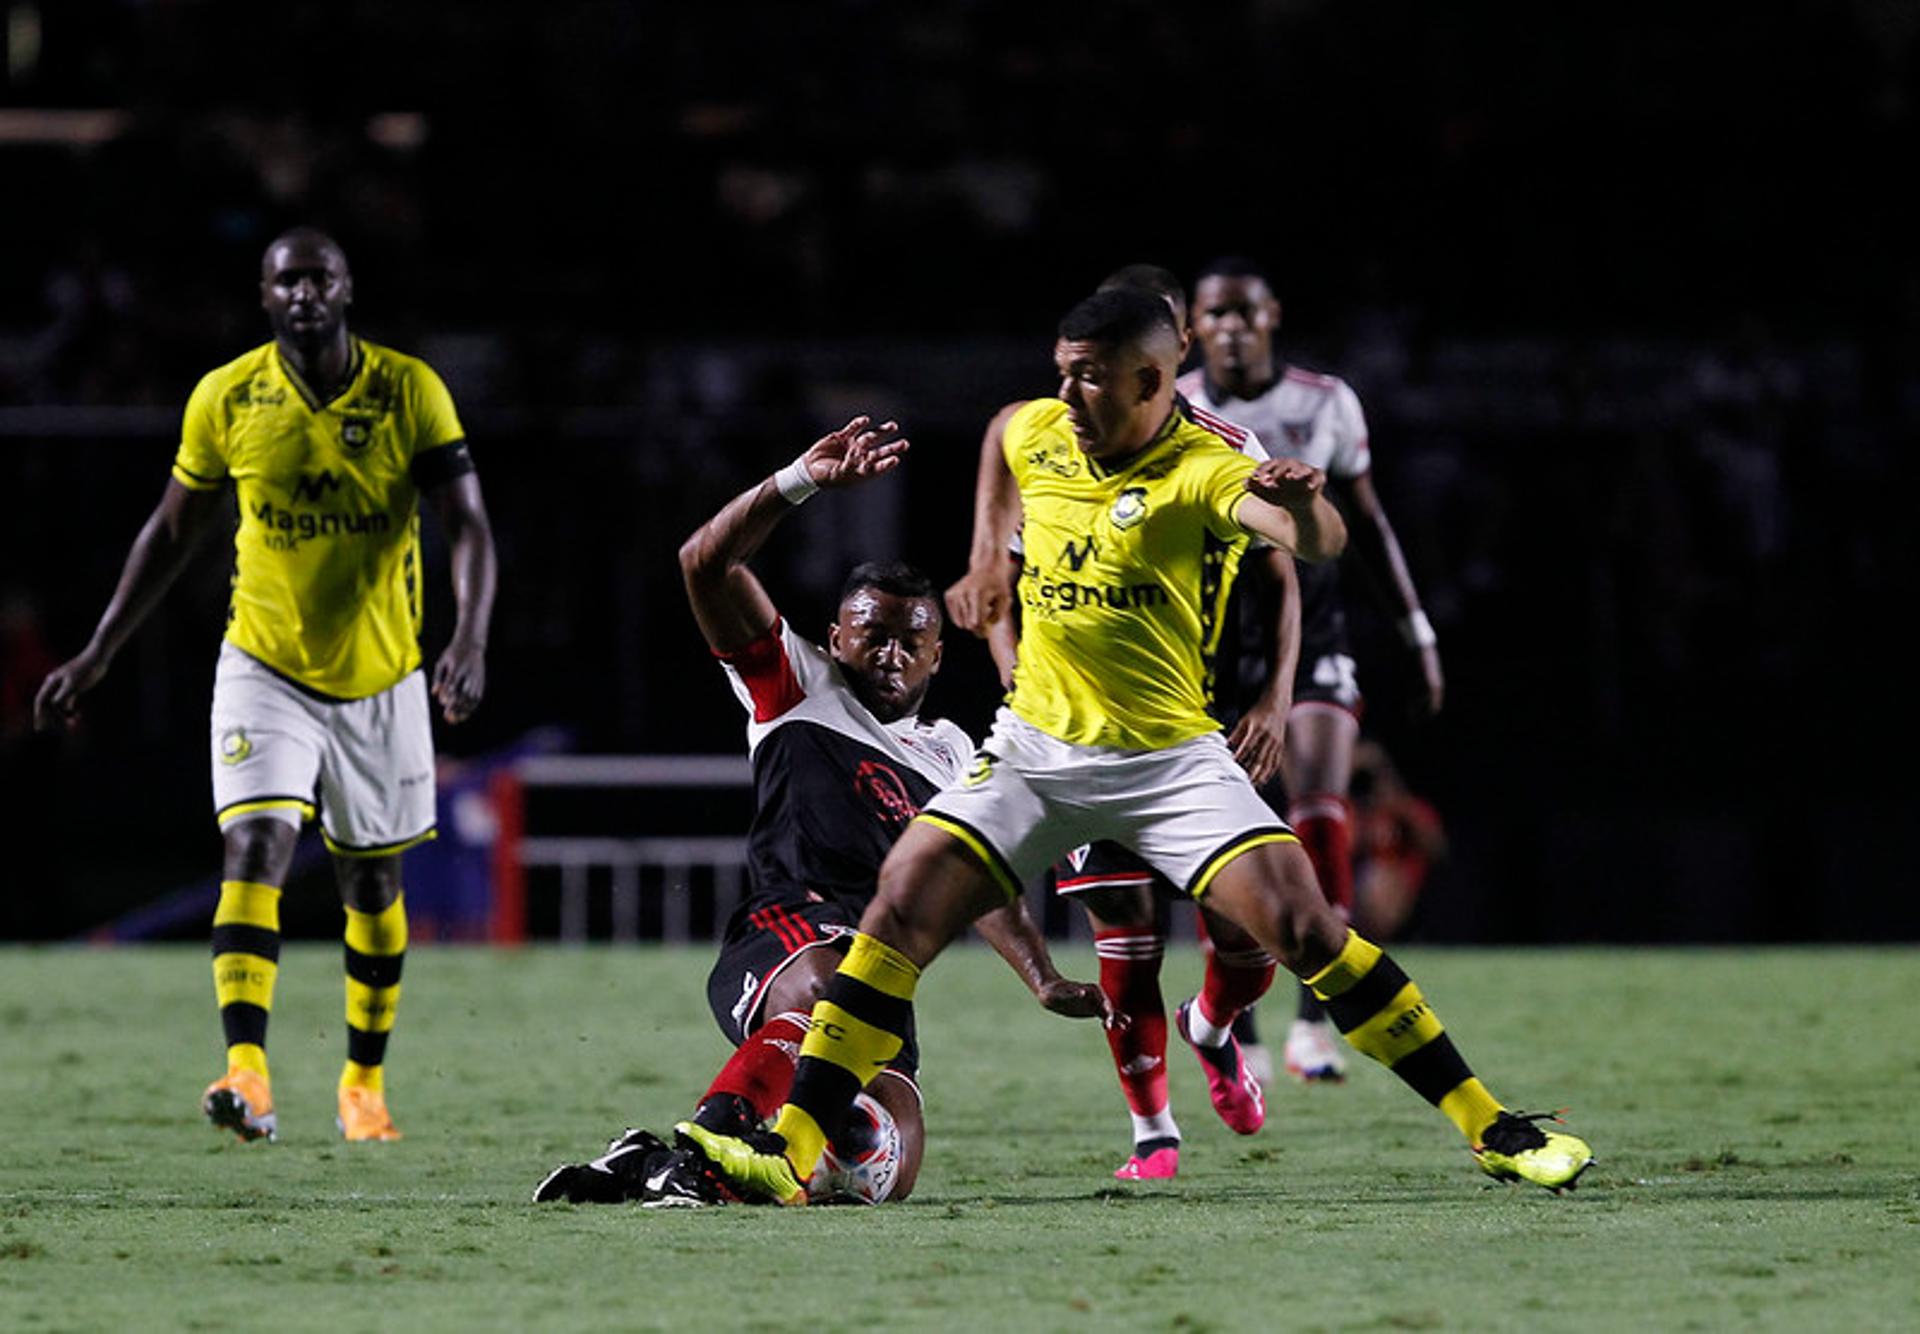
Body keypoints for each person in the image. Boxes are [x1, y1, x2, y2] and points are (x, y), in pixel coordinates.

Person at [676, 289, 1592, 1205]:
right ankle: (788, 1144)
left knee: (1307, 928)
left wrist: (1305, 510)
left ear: (1151, 379)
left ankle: (1492, 1127)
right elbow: (1004, 432)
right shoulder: (1042, 430)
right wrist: (991, 549)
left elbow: (1316, 539)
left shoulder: (1210, 463)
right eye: (1063, 371)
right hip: (1034, 752)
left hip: (1167, 762)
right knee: (902, 902)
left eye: (1091, 377)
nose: (1068, 394)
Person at [533, 415, 1111, 1207]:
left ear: (939, 654)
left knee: (880, 1169)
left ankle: (648, 1161)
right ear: (836, 636)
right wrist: (797, 481)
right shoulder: (796, 685)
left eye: (912, 640)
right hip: (787, 937)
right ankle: (709, 1149)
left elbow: (975, 877)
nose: (891, 653)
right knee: (829, 981)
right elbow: (703, 561)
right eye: (872, 634)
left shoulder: (950, 752)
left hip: (881, 978)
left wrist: (1042, 978)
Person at [34, 228, 497, 1144]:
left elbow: (471, 525)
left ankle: (363, 1085)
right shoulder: (228, 396)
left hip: (382, 674)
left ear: (347, 288)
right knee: (254, 852)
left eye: (319, 277)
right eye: (287, 280)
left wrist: (470, 638)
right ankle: (246, 1075)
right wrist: (98, 651)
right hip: (263, 666)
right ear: (264, 294)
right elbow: (170, 534)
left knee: (370, 883)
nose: (304, 294)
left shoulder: (409, 390)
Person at [976, 263, 1300, 1180]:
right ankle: (1153, 1130)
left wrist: (1273, 698)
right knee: (1124, 934)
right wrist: (1016, 685)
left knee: (1247, 938)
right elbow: (1005, 581)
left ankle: (1215, 1022)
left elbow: (1284, 579)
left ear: (1167, 355)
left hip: (1202, 726)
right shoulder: (1050, 446)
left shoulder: (1219, 450)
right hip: (1076, 731)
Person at [1182, 255, 1446, 1086]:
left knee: (1321, 807)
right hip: (1215, 635)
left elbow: (1367, 522)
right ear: (1193, 326)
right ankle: (1239, 1024)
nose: (1228, 327)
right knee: (1221, 829)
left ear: (1271, 317)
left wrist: (1416, 630)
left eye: (1242, 312)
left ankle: (1316, 1022)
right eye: (1212, 314)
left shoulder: (1324, 401)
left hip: (1316, 625)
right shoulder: (1175, 404)